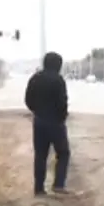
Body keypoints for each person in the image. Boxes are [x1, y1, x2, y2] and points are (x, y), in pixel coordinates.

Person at [25, 52, 71, 196]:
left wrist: (37, 111)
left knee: (40, 155)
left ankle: (39, 189)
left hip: (39, 121)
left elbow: (28, 99)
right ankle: (58, 184)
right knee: (63, 152)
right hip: (56, 122)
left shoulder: (35, 78)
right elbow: (62, 102)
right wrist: (62, 116)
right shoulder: (58, 80)